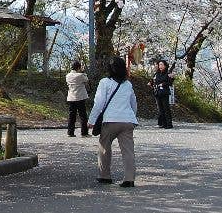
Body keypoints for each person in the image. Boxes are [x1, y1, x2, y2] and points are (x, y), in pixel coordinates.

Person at [88, 56, 138, 187]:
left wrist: (91, 120)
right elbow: (134, 103)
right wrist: (132, 117)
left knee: (104, 147)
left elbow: (98, 103)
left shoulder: (105, 82)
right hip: (127, 121)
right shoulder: (128, 84)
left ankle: (105, 176)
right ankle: (129, 179)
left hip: (110, 120)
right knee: (128, 151)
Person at [66, 60, 89, 137]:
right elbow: (86, 79)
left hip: (71, 97)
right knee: (83, 115)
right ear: (78, 67)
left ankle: (70, 132)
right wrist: (83, 72)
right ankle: (84, 132)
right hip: (80, 97)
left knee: (72, 116)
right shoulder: (81, 75)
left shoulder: (68, 76)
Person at [150, 59, 174, 129]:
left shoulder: (168, 73)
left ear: (165, 66)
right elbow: (154, 81)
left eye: (161, 65)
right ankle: (163, 123)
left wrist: (163, 84)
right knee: (160, 109)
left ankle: (169, 124)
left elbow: (170, 83)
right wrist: (151, 83)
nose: (160, 66)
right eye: (159, 64)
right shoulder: (157, 73)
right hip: (157, 93)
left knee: (166, 108)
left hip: (164, 93)